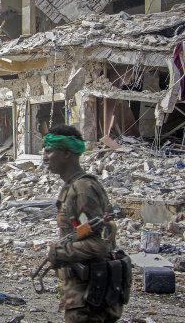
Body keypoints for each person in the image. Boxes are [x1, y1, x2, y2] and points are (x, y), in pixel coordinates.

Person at [42, 124, 124, 323]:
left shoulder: (83, 189)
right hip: (80, 291)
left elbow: (101, 244)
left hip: (90, 297)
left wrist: (60, 252)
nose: (44, 157)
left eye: (49, 151)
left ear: (67, 153)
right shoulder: (71, 187)